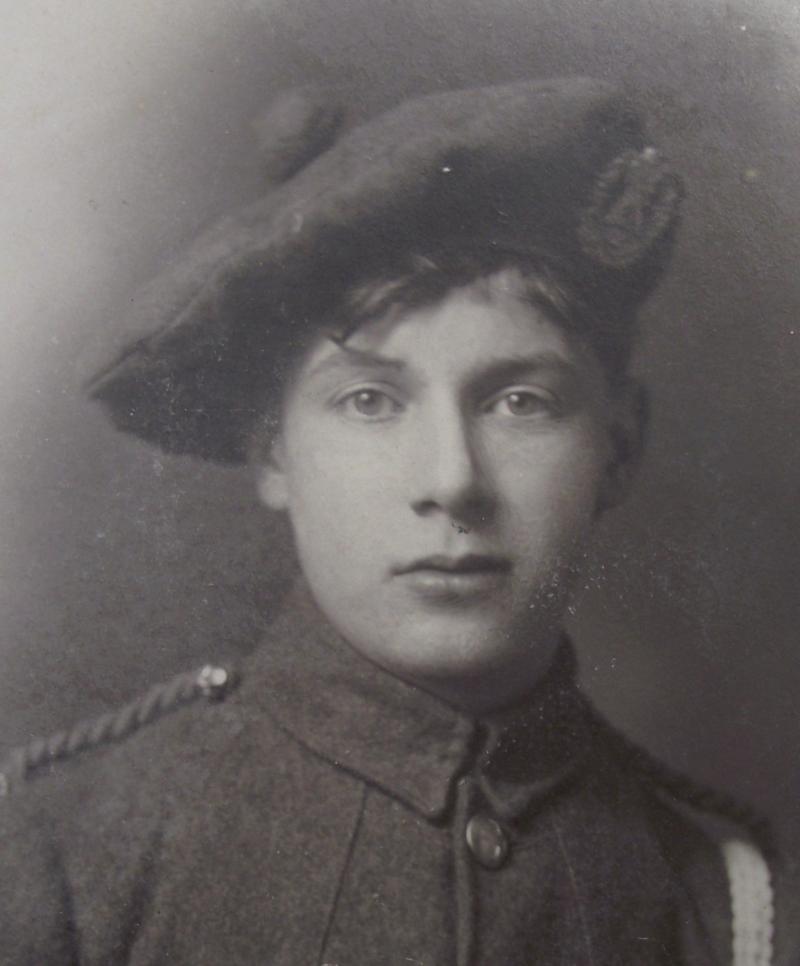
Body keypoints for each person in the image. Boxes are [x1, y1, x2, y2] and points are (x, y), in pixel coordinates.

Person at [0, 77, 783, 965]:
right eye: (370, 400)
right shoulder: (60, 854)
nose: (451, 481)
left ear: (619, 446)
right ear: (271, 452)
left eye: (520, 401)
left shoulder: (728, 900)